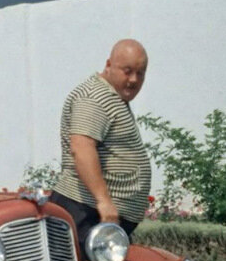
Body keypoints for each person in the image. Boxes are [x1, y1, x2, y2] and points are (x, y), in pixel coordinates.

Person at [50, 39, 151, 245]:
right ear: (108, 65)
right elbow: (82, 147)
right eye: (127, 70)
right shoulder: (94, 97)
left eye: (140, 73)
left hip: (96, 213)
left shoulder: (111, 97)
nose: (133, 79)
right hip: (85, 212)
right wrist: (104, 201)